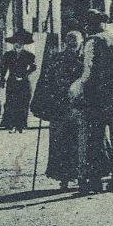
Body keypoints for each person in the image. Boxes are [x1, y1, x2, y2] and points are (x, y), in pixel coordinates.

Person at [72, 9, 113, 194]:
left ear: (89, 25)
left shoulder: (92, 41)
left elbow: (87, 73)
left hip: (96, 101)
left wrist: (78, 92)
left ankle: (95, 182)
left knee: (95, 141)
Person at [32, 31, 84, 189]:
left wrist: (40, 105)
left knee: (61, 143)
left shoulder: (55, 59)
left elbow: (43, 83)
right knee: (78, 142)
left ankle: (64, 179)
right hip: (75, 107)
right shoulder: (83, 60)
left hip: (60, 108)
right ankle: (80, 176)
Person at [0, 30, 38, 132]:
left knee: (23, 103)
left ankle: (21, 125)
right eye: (16, 43)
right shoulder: (8, 55)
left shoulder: (29, 55)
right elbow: (4, 68)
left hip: (24, 82)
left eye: (20, 43)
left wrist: (24, 75)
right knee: (11, 103)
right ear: (13, 44)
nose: (18, 45)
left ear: (23, 44)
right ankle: (11, 125)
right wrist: (2, 79)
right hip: (12, 81)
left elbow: (34, 67)